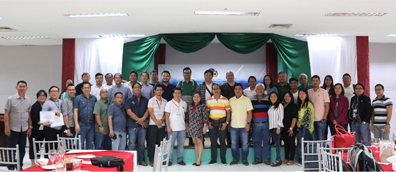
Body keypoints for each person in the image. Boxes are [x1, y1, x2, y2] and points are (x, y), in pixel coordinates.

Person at [4, 81, 32, 170]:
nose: (22, 88)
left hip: (23, 129)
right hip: (13, 128)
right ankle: (11, 166)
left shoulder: (29, 100)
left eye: (24, 86)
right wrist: (7, 127)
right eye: (20, 86)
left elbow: (29, 114)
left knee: (22, 149)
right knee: (12, 148)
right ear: (16, 87)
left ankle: (20, 165)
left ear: (26, 88)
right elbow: (6, 113)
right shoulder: (10, 99)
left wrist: (30, 127)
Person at [125, 83, 149, 166]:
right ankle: (130, 161)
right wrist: (140, 120)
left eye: (139, 87)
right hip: (132, 125)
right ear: (132, 89)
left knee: (142, 144)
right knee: (131, 144)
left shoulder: (145, 99)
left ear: (141, 88)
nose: (137, 89)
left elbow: (148, 110)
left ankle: (141, 160)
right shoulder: (128, 99)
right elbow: (129, 112)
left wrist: (143, 119)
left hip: (142, 125)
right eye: (135, 87)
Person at [229, 83, 253, 166]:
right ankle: (235, 159)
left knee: (245, 144)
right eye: (236, 89)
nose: (237, 90)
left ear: (242, 90)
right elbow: (229, 113)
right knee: (234, 144)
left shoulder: (247, 100)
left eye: (239, 88)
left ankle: (244, 159)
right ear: (234, 90)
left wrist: (248, 124)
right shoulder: (231, 100)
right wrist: (228, 124)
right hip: (233, 126)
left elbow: (250, 113)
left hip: (244, 126)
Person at [207, 83, 230, 166]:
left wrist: (226, 123)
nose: (216, 90)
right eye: (214, 89)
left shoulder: (225, 99)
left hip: (222, 123)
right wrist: (208, 122)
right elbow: (207, 112)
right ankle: (213, 159)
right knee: (213, 142)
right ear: (212, 90)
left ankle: (223, 160)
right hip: (212, 123)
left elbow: (228, 112)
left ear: (220, 90)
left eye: (217, 88)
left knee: (223, 142)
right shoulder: (209, 100)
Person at [165, 88, 188, 166]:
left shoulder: (184, 103)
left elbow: (184, 115)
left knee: (181, 145)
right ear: (173, 94)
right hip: (172, 129)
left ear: (181, 94)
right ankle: (169, 160)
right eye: (176, 93)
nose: (177, 94)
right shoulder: (169, 103)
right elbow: (166, 116)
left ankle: (180, 160)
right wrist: (168, 127)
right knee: (170, 145)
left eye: (179, 93)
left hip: (182, 129)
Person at [177, 67, 198, 146]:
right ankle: (181, 140)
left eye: (188, 73)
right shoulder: (180, 83)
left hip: (192, 106)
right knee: (182, 121)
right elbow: (177, 94)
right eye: (185, 73)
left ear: (191, 74)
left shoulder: (195, 83)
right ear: (183, 74)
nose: (187, 74)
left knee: (192, 123)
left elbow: (197, 95)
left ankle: (191, 140)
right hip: (182, 106)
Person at [185, 91, 209, 166]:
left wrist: (205, 126)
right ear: (193, 98)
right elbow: (187, 117)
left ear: (200, 98)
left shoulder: (203, 106)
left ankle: (199, 159)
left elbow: (205, 117)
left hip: (199, 126)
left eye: (198, 97)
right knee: (195, 143)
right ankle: (196, 158)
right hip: (191, 126)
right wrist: (186, 126)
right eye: (195, 97)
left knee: (199, 142)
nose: (196, 98)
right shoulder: (190, 106)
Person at [250, 83, 271, 165]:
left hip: (266, 123)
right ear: (255, 90)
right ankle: (258, 159)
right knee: (256, 142)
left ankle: (266, 159)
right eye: (258, 89)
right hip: (255, 124)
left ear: (264, 90)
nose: (260, 90)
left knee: (266, 142)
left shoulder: (268, 98)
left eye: (261, 89)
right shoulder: (251, 99)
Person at [147, 85, 167, 167]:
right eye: (157, 90)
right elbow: (151, 113)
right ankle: (151, 160)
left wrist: (161, 121)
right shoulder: (151, 100)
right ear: (154, 91)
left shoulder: (165, 101)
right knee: (152, 143)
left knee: (161, 143)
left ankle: (160, 159)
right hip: (152, 125)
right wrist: (156, 122)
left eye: (160, 90)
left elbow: (166, 113)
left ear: (162, 91)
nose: (159, 91)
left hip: (162, 126)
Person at [73, 82, 97, 149]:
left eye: (88, 87)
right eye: (85, 88)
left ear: (90, 88)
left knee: (90, 145)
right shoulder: (77, 98)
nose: (87, 89)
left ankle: (89, 159)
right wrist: (76, 124)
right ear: (82, 89)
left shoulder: (94, 98)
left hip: (91, 125)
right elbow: (75, 111)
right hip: (81, 125)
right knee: (80, 145)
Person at [308, 75, 330, 140]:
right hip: (311, 120)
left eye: (316, 81)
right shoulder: (308, 92)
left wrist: (324, 117)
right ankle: (316, 151)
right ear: (311, 82)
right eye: (313, 81)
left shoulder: (324, 92)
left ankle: (322, 151)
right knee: (313, 139)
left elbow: (327, 106)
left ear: (319, 82)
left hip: (321, 120)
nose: (315, 82)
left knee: (321, 139)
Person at [296, 89, 314, 166]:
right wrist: (298, 122)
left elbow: (309, 116)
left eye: (303, 94)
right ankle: (300, 159)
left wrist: (301, 123)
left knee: (305, 142)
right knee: (299, 142)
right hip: (299, 126)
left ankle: (305, 159)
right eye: (300, 94)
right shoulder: (299, 104)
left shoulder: (309, 104)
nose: (301, 95)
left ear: (306, 95)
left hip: (306, 126)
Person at [42, 86, 64, 153]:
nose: (54, 93)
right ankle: (48, 161)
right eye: (52, 91)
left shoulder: (61, 102)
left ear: (58, 93)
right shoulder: (47, 103)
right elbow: (43, 115)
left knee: (57, 147)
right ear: (49, 93)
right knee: (49, 147)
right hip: (50, 129)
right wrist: (53, 112)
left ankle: (56, 161)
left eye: (56, 91)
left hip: (60, 128)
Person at [29, 90, 48, 165]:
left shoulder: (45, 105)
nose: (42, 97)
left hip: (42, 129)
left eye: (43, 96)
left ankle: (38, 161)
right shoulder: (35, 106)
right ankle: (33, 163)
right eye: (40, 95)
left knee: (39, 146)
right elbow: (34, 118)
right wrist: (43, 123)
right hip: (35, 129)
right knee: (33, 146)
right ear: (37, 97)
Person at [220, 71, 237, 148]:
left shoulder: (238, 86)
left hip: (237, 110)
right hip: (226, 110)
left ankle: (238, 143)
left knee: (237, 126)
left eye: (232, 75)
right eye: (228, 75)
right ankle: (229, 143)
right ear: (226, 77)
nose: (230, 76)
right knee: (227, 127)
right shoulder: (223, 86)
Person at [268, 92, 284, 167]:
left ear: (277, 97)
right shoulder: (271, 106)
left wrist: (278, 127)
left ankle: (278, 159)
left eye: (274, 96)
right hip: (271, 127)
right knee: (275, 143)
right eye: (271, 96)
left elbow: (281, 117)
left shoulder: (280, 105)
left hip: (277, 127)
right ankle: (278, 159)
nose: (273, 98)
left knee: (277, 143)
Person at [281, 92, 298, 166]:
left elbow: (294, 118)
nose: (287, 97)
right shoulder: (282, 105)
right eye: (285, 96)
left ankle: (291, 159)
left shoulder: (293, 106)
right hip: (283, 127)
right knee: (286, 143)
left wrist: (291, 128)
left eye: (289, 96)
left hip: (291, 128)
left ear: (291, 98)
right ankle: (286, 158)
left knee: (291, 143)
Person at [321, 75, 334, 140]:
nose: (328, 81)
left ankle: (333, 147)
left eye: (329, 80)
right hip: (323, 111)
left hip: (332, 112)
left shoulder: (334, 89)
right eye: (326, 79)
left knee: (333, 131)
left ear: (332, 81)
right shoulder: (321, 89)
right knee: (323, 131)